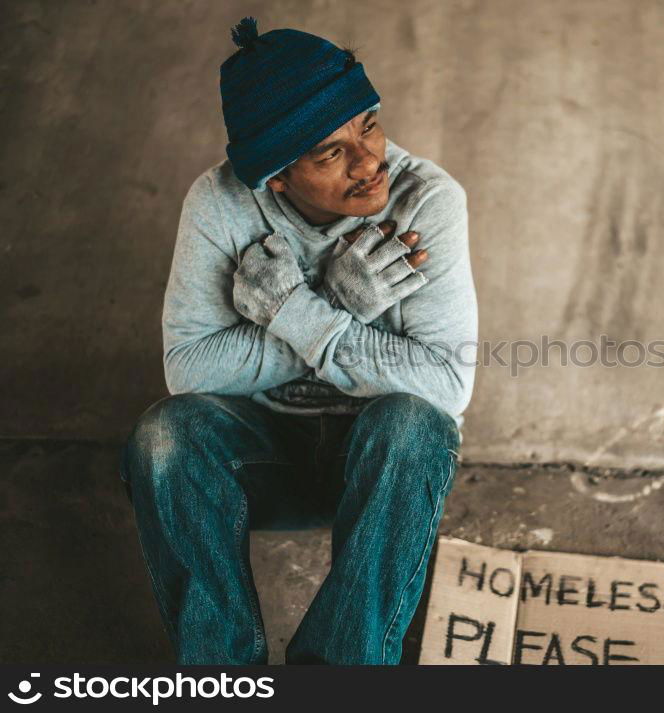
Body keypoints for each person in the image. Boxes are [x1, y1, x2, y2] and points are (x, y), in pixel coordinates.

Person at [119, 17, 478, 665]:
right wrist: (336, 300)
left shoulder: (427, 201)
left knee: (413, 424)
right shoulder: (221, 204)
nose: (372, 162)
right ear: (275, 179)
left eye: (368, 123)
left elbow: (447, 385)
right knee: (165, 432)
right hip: (266, 456)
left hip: (372, 464)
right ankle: (222, 674)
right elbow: (189, 372)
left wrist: (293, 308)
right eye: (330, 152)